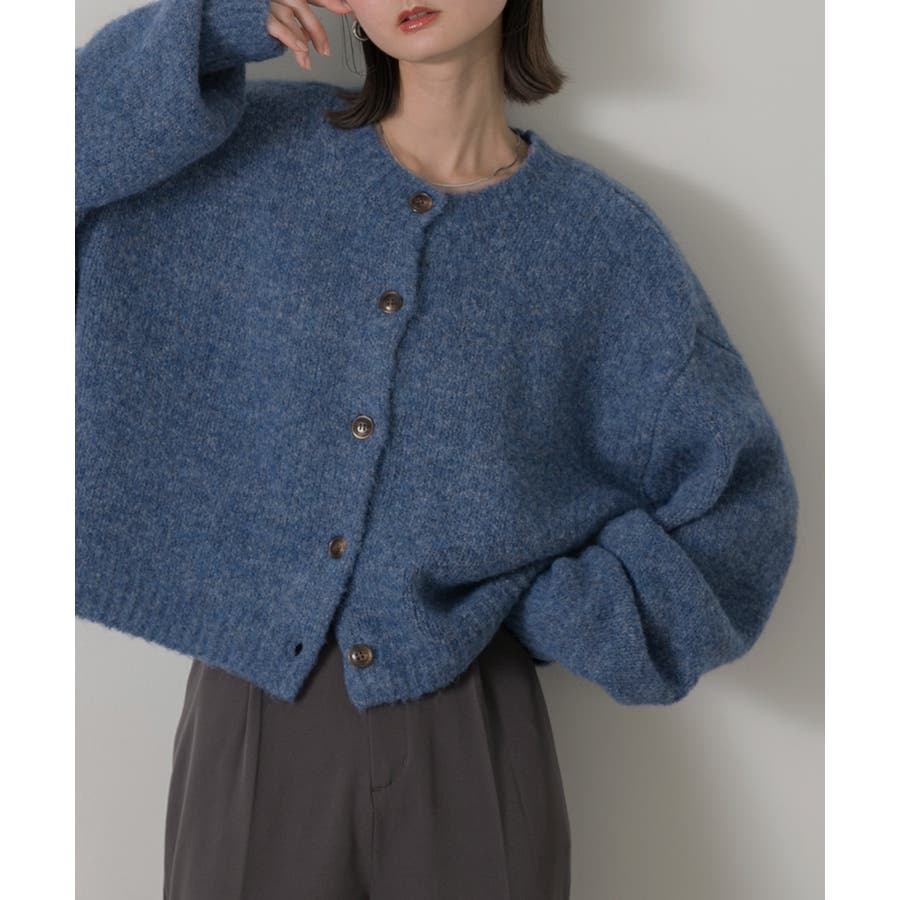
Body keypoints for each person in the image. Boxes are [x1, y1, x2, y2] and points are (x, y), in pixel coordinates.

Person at [75, 1, 800, 898]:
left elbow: (741, 515)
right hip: (257, 712)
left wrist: (548, 604)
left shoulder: (600, 248)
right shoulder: (241, 155)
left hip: (471, 730)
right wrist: (220, 23)